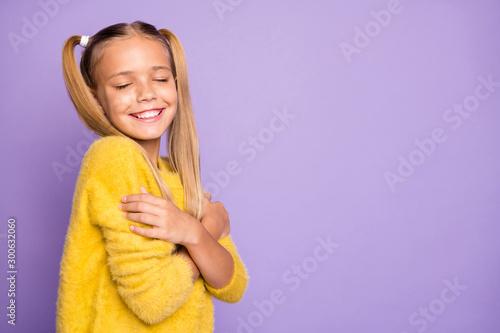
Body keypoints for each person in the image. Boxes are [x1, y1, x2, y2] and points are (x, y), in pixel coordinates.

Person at [56, 21, 248, 332]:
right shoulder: (113, 158)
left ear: (176, 83)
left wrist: (195, 234)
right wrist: (206, 228)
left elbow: (232, 284)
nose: (146, 94)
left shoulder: (175, 174)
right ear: (95, 100)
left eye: (159, 78)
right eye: (123, 85)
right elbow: (154, 300)